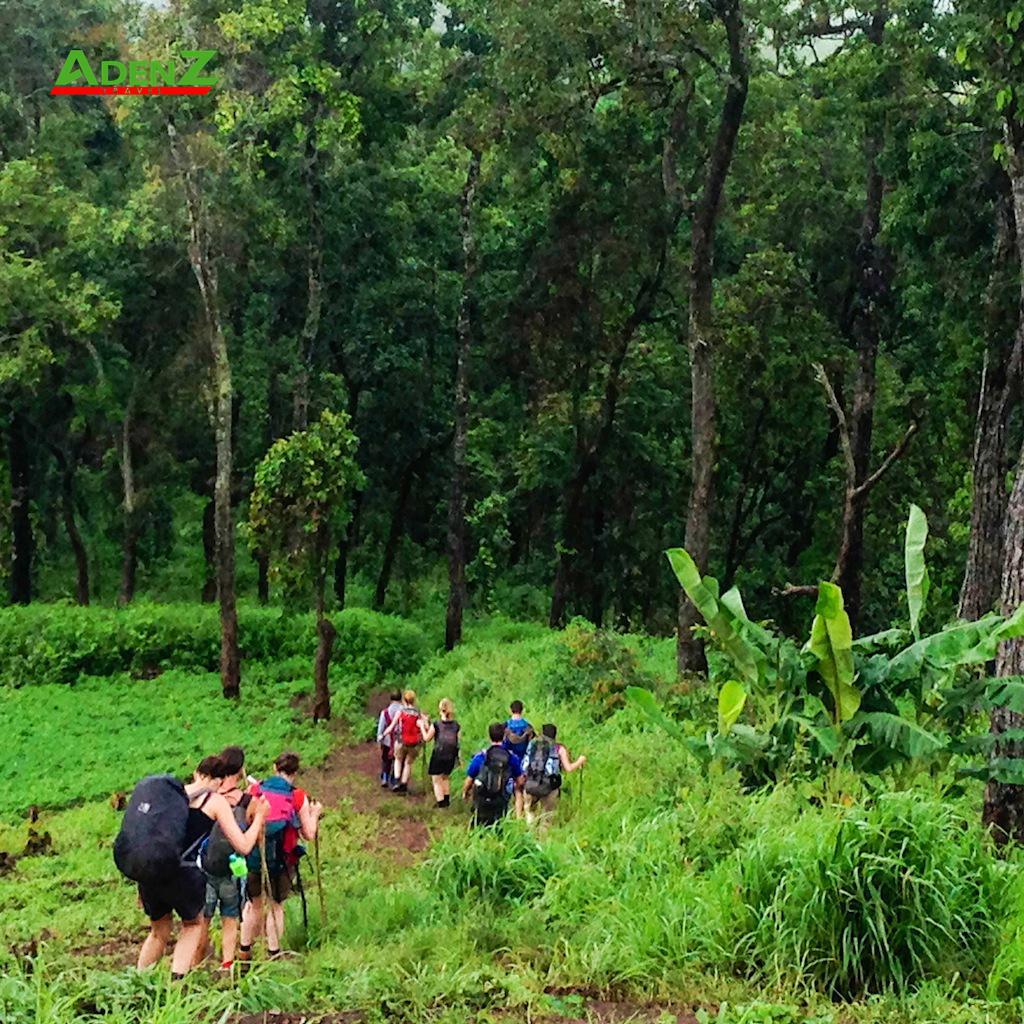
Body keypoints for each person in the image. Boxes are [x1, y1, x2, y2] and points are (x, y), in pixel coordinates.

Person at [119, 755, 270, 979]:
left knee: (158, 932)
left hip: (151, 872)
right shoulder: (215, 801)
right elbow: (244, 845)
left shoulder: (170, 795)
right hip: (183, 874)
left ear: (196, 774)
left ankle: (137, 984)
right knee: (192, 925)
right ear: (219, 781)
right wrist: (259, 817)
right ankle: (176, 984)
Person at [238, 751, 323, 962]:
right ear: (295, 772)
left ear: (275, 767)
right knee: (276, 906)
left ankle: (244, 951)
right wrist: (315, 813)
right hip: (282, 861)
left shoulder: (255, 789)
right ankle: (273, 953)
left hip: (254, 857)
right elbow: (309, 834)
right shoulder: (297, 796)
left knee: (253, 904)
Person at [195, 746, 250, 971]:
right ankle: (227, 966)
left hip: (204, 867)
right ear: (241, 769)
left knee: (200, 921)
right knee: (230, 917)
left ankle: (193, 966)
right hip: (232, 869)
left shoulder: (210, 798)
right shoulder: (247, 800)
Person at [522, 724, 586, 831]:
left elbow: (524, 765)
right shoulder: (558, 748)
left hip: (530, 783)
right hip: (549, 787)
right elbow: (568, 768)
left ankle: (529, 833)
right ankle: (542, 840)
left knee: (529, 810)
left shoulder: (532, 745)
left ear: (542, 733)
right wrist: (580, 761)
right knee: (547, 815)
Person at [462, 722, 525, 827]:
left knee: (478, 825)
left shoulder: (481, 756)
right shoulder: (511, 757)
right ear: (504, 736)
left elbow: (469, 779)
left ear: (489, 736)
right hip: (501, 798)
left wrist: (465, 792)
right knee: (499, 825)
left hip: (482, 798)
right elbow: (519, 780)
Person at [383, 689, 429, 794]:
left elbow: (392, 726)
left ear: (404, 700)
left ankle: (397, 781)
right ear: (414, 700)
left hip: (401, 741)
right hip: (414, 744)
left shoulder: (401, 711)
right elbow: (426, 727)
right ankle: (404, 784)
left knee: (398, 760)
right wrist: (426, 720)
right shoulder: (418, 713)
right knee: (408, 763)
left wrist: (383, 734)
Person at [424, 698, 460, 808]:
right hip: (451, 755)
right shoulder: (456, 725)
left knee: (436, 779)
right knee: (445, 777)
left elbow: (427, 738)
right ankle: (446, 799)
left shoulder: (436, 724)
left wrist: (421, 725)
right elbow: (457, 741)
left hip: (438, 754)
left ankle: (441, 803)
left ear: (440, 709)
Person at [503, 701, 534, 817]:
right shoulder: (528, 727)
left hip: (509, 761)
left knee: (510, 789)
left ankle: (511, 814)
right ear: (522, 710)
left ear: (511, 710)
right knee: (521, 789)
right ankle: (521, 815)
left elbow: (503, 746)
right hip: (523, 761)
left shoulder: (505, 726)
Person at [377, 690, 403, 788]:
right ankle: (395, 779)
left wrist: (379, 739)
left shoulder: (385, 712)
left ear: (391, 699)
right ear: (400, 699)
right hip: (400, 740)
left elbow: (381, 727)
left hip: (387, 740)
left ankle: (385, 777)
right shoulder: (404, 711)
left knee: (385, 760)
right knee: (399, 760)